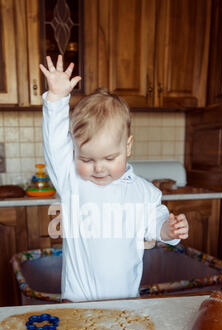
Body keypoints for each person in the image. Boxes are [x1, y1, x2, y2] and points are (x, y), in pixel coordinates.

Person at [40, 55, 189, 302]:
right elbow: (54, 143)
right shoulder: (72, 180)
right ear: (75, 153)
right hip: (77, 304)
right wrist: (56, 99)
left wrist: (169, 228)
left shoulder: (144, 193)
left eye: (110, 158)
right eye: (87, 159)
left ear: (128, 147)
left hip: (126, 304)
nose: (99, 168)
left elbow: (156, 225)